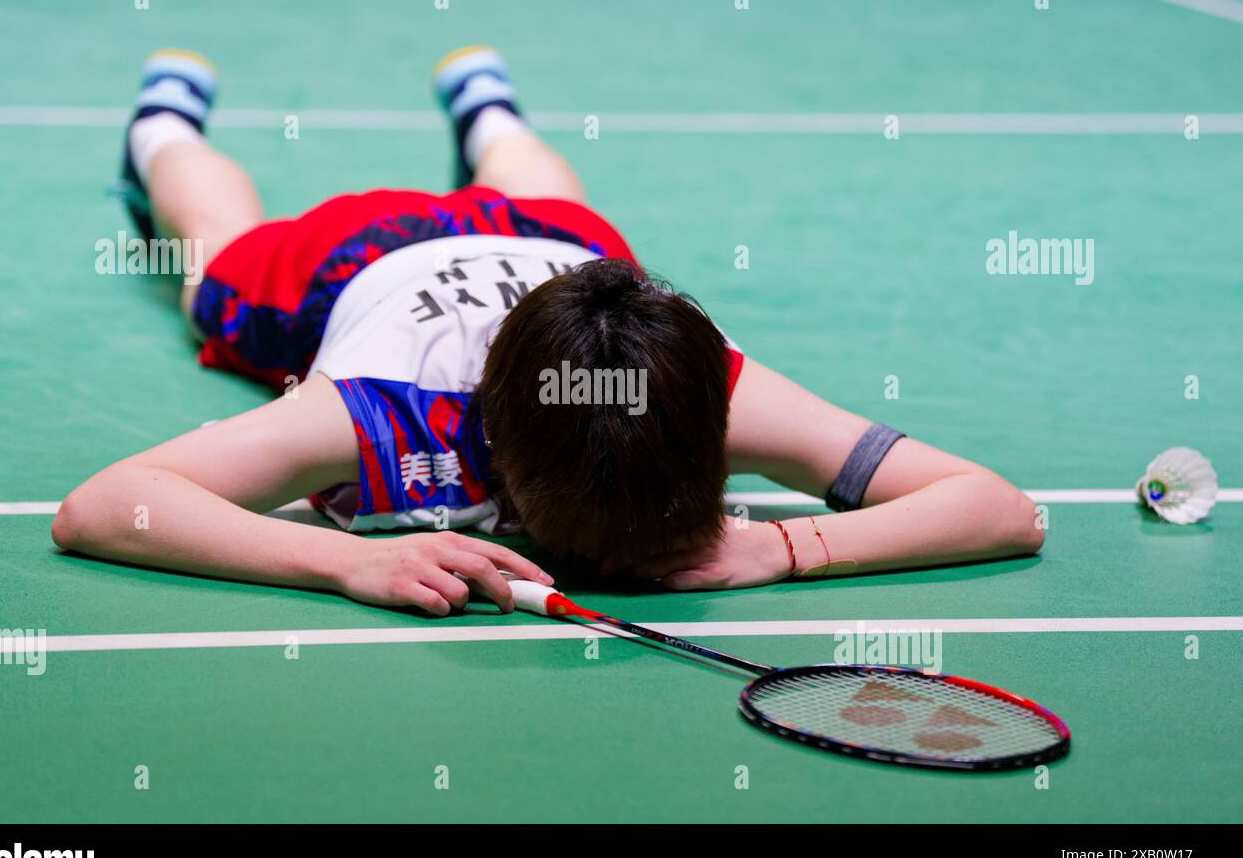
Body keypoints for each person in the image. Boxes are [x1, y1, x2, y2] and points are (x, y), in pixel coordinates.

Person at [52, 47, 1044, 616]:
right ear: (495, 446)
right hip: (363, 261)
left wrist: (789, 549)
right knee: (219, 258)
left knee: (551, 204)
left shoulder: (715, 389)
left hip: (567, 262)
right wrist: (343, 559)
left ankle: (487, 107)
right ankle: (164, 126)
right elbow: (102, 505)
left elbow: (1000, 506)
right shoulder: (389, 411)